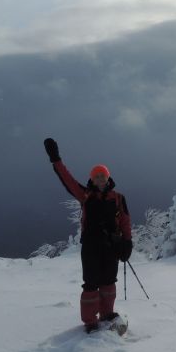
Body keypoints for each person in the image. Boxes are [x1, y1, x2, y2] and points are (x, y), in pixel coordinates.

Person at [43, 137, 134, 332]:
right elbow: (67, 180)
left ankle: (107, 314)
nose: (100, 179)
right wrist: (56, 160)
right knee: (91, 284)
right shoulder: (85, 195)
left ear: (108, 178)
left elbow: (125, 222)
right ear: (92, 179)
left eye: (103, 176)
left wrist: (127, 243)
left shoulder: (119, 198)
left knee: (109, 282)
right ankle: (90, 322)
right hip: (91, 247)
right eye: (96, 176)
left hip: (111, 247)